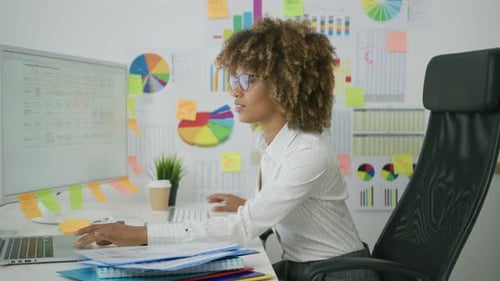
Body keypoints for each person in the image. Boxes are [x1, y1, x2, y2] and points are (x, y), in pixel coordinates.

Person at [74, 17, 380, 281]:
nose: (235, 89)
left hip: (340, 273)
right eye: (235, 78)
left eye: (248, 79)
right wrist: (249, 204)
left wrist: (140, 234)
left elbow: (243, 228)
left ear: (284, 84)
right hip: (306, 269)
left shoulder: (307, 153)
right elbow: (283, 208)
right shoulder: (273, 142)